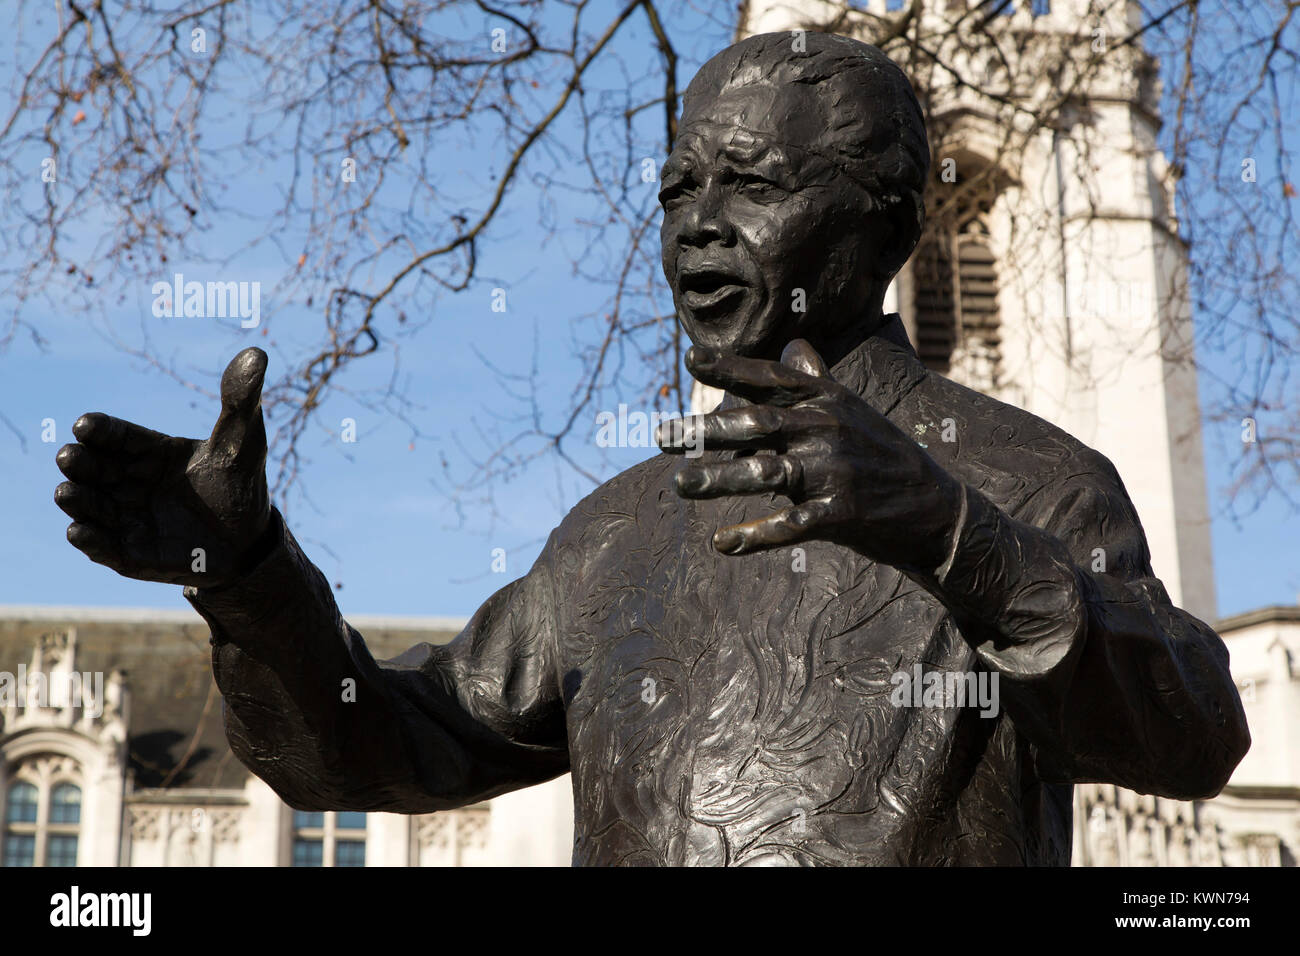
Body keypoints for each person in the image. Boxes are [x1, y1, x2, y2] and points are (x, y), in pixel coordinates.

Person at [55, 32, 1249, 865]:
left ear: (882, 216)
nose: (697, 226)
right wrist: (248, 574)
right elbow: (387, 741)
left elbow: (1190, 730)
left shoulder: (1028, 482)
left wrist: (954, 537)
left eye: (750, 183)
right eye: (678, 188)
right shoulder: (621, 526)